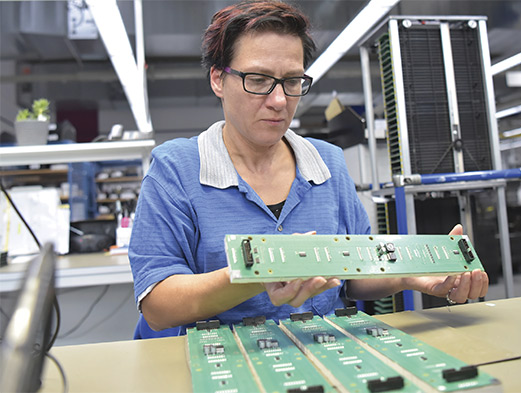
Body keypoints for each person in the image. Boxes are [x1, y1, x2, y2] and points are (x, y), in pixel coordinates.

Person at [128, 0, 488, 339]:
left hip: (321, 349)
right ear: (218, 79)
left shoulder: (327, 162)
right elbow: (158, 304)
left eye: (292, 81)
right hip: (224, 361)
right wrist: (262, 272)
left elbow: (355, 273)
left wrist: (409, 274)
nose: (280, 100)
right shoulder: (176, 168)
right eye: (258, 80)